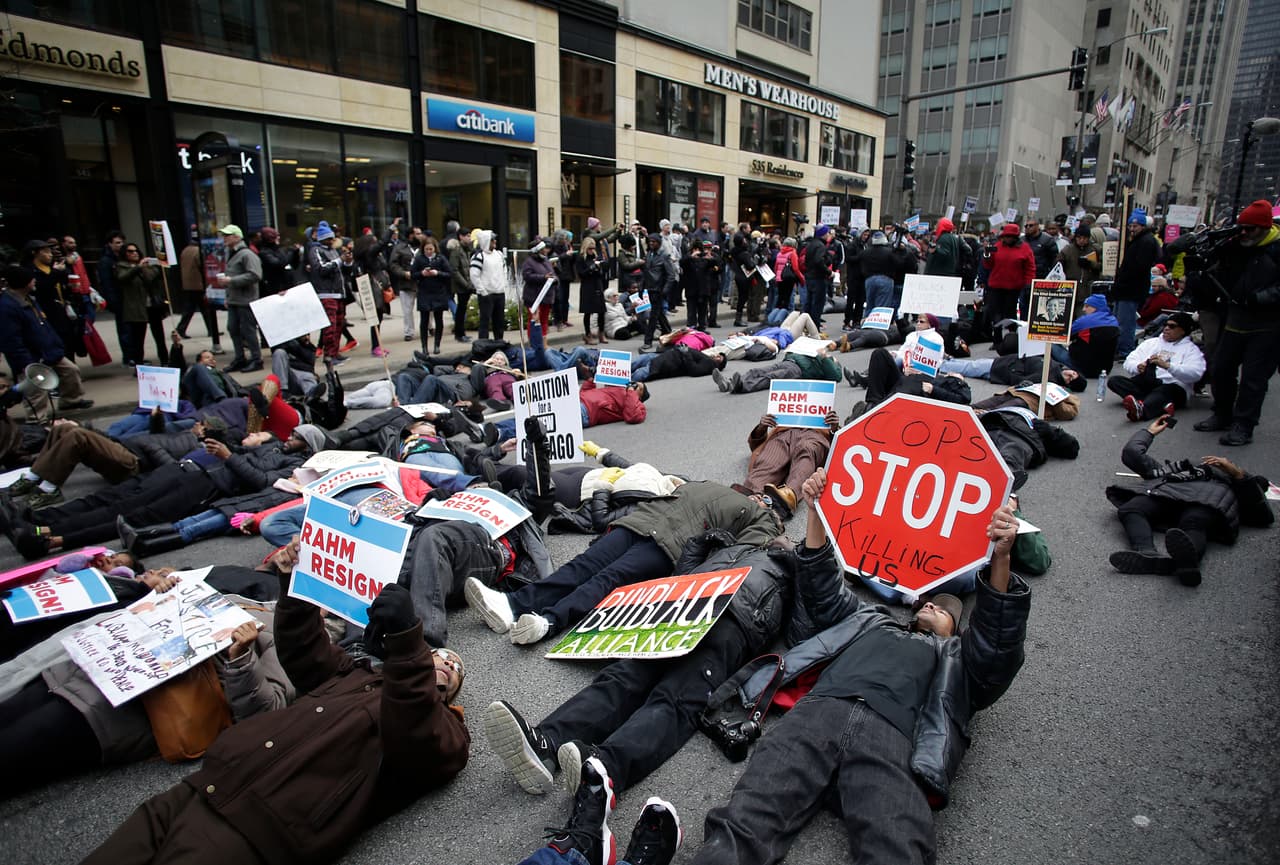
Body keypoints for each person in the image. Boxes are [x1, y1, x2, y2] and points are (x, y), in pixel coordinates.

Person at [686, 469, 1027, 865]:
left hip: (893, 740)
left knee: (897, 850)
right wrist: (817, 511)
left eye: (945, 610)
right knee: (742, 826)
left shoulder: (955, 659)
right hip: (819, 715)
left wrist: (1000, 558)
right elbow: (823, 593)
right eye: (928, 603)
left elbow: (994, 647)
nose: (932, 605)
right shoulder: (871, 619)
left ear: (956, 630)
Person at [79, 542, 469, 865]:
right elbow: (304, 652)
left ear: (451, 692)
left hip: (255, 828)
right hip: (203, 786)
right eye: (442, 656)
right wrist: (295, 585)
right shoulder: (357, 676)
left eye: (454, 669)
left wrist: (408, 645)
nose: (446, 663)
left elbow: (414, 727)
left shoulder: (449, 734)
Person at [483, 530, 798, 804]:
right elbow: (680, 575)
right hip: (685, 606)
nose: (785, 539)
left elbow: (805, 626)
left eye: (792, 540)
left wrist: (805, 565)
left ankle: (605, 766)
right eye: (782, 536)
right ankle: (545, 743)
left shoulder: (793, 576)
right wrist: (700, 544)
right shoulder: (738, 548)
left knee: (675, 698)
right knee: (623, 676)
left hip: (734, 623)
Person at [465, 480, 784, 645]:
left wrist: (704, 548)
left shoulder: (764, 521)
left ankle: (548, 621)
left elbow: (740, 549)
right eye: (764, 493)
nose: (762, 497)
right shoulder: (715, 486)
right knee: (583, 565)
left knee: (608, 580)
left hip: (671, 544)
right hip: (643, 521)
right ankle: (513, 604)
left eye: (772, 500)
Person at [1107, 414, 1273, 586]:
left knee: (1194, 521)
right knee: (1132, 508)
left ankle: (1187, 563)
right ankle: (1147, 554)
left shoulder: (1232, 485)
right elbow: (1131, 454)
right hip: (1167, 493)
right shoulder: (1175, 470)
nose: (1214, 461)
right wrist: (1149, 432)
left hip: (1203, 501)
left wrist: (1237, 474)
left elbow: (1263, 516)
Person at [1192, 200, 1280, 446]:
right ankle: (1222, 413)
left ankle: (1244, 424)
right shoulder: (1235, 246)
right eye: (1242, 227)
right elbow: (1216, 270)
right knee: (1220, 368)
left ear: (1264, 227)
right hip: (1234, 319)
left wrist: (1259, 298)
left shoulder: (1276, 249)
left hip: (1267, 324)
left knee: (1254, 378)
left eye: (1250, 229)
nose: (1244, 233)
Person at [0, 265, 93, 414]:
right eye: (31, 279)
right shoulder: (7, 307)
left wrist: (56, 345)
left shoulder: (29, 299)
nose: (34, 281)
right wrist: (24, 363)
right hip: (30, 357)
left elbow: (43, 324)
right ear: (23, 282)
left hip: (48, 350)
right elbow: (11, 340)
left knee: (71, 370)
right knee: (36, 389)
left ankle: (70, 401)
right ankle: (37, 420)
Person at [1107, 311, 1204, 421]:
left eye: (1172, 326)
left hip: (1172, 385)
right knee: (1115, 381)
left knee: (1164, 391)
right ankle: (1159, 405)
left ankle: (1142, 410)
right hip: (1149, 382)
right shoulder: (1152, 342)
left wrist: (1168, 366)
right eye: (1165, 325)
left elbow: (1196, 373)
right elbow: (1129, 360)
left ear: (1183, 330)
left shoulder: (1191, 349)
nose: (1166, 328)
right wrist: (1138, 366)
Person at [740, 410, 840, 516]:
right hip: (782, 434)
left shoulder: (823, 416)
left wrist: (834, 429)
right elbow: (756, 443)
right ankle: (749, 497)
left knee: (806, 451)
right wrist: (762, 427)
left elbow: (841, 446)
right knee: (770, 460)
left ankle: (784, 499)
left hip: (815, 434)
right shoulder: (780, 423)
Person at [1112, 209, 1160, 357]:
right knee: (1121, 321)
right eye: (1131, 226)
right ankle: (1122, 347)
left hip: (1130, 288)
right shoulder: (1139, 240)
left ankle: (1124, 349)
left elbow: (1138, 267)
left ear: (1143, 226)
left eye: (1135, 226)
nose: (1132, 229)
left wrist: (1123, 277)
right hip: (1126, 288)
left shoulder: (1145, 242)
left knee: (1125, 323)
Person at [217, 225, 264, 373]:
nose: (224, 238)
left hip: (246, 300)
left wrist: (231, 280)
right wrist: (228, 295)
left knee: (248, 331)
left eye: (228, 235)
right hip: (234, 300)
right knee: (233, 329)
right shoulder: (231, 253)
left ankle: (257, 359)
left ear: (237, 237)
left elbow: (255, 275)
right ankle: (240, 358)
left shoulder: (247, 254)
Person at [116, 242, 170, 367]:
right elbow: (123, 278)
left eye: (135, 251)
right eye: (130, 251)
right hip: (137, 308)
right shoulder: (122, 266)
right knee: (138, 340)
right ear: (125, 253)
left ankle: (165, 361)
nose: (134, 253)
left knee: (159, 336)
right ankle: (138, 365)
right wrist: (137, 268)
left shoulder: (145, 266)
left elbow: (152, 277)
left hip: (152, 306)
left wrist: (157, 265)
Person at [176, 227, 222, 352]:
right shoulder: (199, 251)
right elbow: (203, 267)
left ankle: (183, 329)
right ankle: (211, 330)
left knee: (192, 309)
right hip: (198, 284)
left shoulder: (185, 250)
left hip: (189, 284)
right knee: (205, 308)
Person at [984, 223, 1035, 330]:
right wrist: (986, 255)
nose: (1006, 239)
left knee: (1010, 313)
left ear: (1015, 237)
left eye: (1008, 237)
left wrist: (1029, 283)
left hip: (1013, 287)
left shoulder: (1025, 249)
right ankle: (997, 339)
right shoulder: (996, 246)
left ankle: (1011, 337)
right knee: (995, 313)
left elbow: (1030, 268)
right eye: (1004, 236)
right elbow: (988, 265)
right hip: (996, 285)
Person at [308, 221, 345, 364]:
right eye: (329, 238)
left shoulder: (333, 251)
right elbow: (321, 269)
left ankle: (334, 353)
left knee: (339, 325)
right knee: (330, 326)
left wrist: (346, 262)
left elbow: (340, 269)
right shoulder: (315, 250)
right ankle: (329, 355)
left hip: (338, 293)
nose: (332, 240)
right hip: (326, 293)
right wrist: (339, 261)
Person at [411, 236, 452, 357]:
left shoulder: (440, 258)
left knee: (439, 319)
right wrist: (422, 274)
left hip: (438, 291)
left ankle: (437, 344)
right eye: (426, 249)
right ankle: (424, 346)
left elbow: (449, 273)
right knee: (424, 319)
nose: (429, 251)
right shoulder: (419, 259)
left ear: (435, 248)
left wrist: (437, 273)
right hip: (424, 291)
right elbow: (413, 274)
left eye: (431, 249)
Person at [470, 229, 508, 342]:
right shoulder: (479, 256)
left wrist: (503, 284)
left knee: (499, 321)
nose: (495, 242)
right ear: (486, 241)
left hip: (499, 292)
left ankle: (499, 342)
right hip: (487, 294)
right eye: (492, 240)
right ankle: (483, 345)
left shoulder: (499, 254)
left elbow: (504, 269)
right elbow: (474, 275)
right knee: (485, 322)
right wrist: (482, 291)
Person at [640, 233, 676, 352]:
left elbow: (671, 275)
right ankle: (669, 334)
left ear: (659, 243)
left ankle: (647, 340)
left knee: (654, 316)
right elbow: (645, 273)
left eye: (653, 242)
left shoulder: (664, 256)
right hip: (650, 289)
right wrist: (641, 288)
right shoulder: (649, 255)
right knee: (659, 313)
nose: (651, 244)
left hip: (659, 290)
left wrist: (665, 290)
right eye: (650, 242)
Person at [388, 223, 418, 341]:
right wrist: (403, 273)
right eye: (417, 234)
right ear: (411, 235)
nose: (420, 236)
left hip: (422, 281)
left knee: (428, 308)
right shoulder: (400, 248)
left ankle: (429, 327)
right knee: (407, 309)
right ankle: (409, 331)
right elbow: (393, 264)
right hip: (406, 282)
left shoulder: (424, 246)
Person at [1056, 225, 1101, 296]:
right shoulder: (1067, 250)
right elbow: (1057, 266)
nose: (1082, 240)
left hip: (1088, 286)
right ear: (1075, 238)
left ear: (1088, 238)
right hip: (1071, 286)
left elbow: (1102, 267)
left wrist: (1090, 264)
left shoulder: (1095, 249)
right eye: (1079, 238)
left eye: (1085, 238)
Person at [447, 230, 474, 344]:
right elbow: (454, 270)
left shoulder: (466, 250)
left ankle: (461, 333)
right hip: (461, 285)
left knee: (462, 309)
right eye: (467, 236)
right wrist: (465, 284)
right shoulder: (456, 251)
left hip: (466, 283)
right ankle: (459, 333)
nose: (469, 238)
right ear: (461, 237)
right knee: (460, 310)